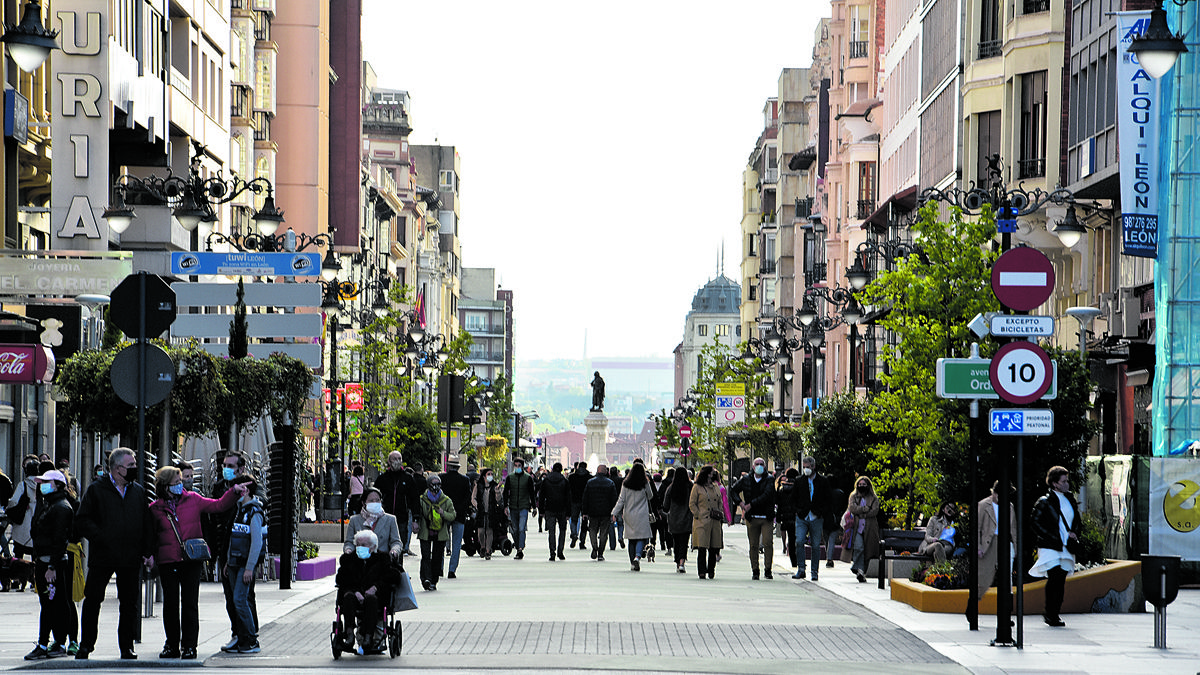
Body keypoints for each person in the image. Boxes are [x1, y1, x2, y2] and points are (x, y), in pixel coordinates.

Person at [148, 466, 245, 660]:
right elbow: (150, 535)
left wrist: (233, 493)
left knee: (190, 604)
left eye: (180, 481)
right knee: (171, 605)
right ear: (165, 486)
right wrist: (149, 555)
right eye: (176, 482)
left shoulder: (193, 499)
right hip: (168, 560)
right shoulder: (155, 508)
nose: (180, 485)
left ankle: (190, 646)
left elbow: (217, 505)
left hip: (191, 559)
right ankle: (172, 645)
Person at [74, 448, 152, 660]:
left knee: (129, 603)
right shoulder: (97, 490)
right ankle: (86, 644)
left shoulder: (137, 491)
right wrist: (101, 537)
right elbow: (82, 520)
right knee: (93, 600)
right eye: (131, 466)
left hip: (130, 556)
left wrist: (147, 551)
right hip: (103, 556)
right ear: (118, 469)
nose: (135, 468)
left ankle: (126, 646)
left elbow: (146, 523)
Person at [207, 452, 256, 653]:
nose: (226, 468)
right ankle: (238, 633)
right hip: (224, 549)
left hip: (241, 552)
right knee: (230, 597)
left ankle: (249, 635)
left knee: (244, 597)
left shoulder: (249, 488)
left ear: (241, 468)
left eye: (231, 465)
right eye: (224, 465)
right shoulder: (219, 487)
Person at [24, 470, 76, 661]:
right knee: (49, 604)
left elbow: (59, 539)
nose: (43, 485)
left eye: (47, 482)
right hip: (45, 562)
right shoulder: (49, 505)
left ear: (59, 485)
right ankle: (51, 642)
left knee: (53, 605)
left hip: (51, 564)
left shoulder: (61, 508)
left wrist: (52, 567)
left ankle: (49, 643)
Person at [1030, 467, 1082, 627]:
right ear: (1054, 483)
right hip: (1050, 546)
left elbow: (1077, 521)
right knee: (1055, 577)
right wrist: (1051, 537)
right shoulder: (1044, 501)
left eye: (1067, 481)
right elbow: (1035, 522)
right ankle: (1050, 613)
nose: (1067, 484)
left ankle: (1054, 613)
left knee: (1060, 580)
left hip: (1066, 546)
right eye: (1064, 481)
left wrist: (1074, 533)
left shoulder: (1070, 500)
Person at [335, 530, 400, 652]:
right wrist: (356, 592)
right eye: (358, 544)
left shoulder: (383, 558)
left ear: (373, 547)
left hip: (375, 597)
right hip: (354, 595)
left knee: (371, 600)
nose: (360, 548)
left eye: (364, 545)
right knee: (348, 597)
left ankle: (368, 637)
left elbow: (394, 576)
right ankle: (349, 635)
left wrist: (375, 588)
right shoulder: (348, 559)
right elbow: (341, 579)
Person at [222, 476, 266, 654]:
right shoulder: (240, 510)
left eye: (238, 488)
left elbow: (256, 543)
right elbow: (232, 539)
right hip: (233, 563)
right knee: (235, 601)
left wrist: (250, 567)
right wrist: (227, 561)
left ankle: (250, 639)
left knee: (240, 600)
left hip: (243, 565)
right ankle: (241, 637)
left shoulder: (254, 512)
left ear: (246, 489)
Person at [730, 457, 776, 580]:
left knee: (767, 542)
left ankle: (768, 569)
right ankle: (755, 570)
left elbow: (767, 495)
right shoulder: (746, 479)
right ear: (753, 466)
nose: (759, 466)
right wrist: (740, 503)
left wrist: (751, 504)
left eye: (762, 464)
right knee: (753, 545)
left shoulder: (770, 479)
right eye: (757, 464)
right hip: (752, 517)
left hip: (766, 516)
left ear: (765, 467)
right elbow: (733, 490)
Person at [976, 481, 1016, 606]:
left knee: (1007, 576)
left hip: (1005, 542)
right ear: (994, 492)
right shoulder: (983, 505)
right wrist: (979, 547)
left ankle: (1006, 610)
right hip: (990, 542)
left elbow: (1013, 529)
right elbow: (977, 528)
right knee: (985, 577)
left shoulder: (1010, 506)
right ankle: (973, 605)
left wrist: (1016, 547)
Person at [792, 456, 831, 581]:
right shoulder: (799, 481)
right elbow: (793, 498)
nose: (806, 469)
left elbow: (827, 499)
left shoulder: (823, 481)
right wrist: (797, 511)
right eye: (804, 467)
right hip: (802, 516)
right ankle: (801, 569)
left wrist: (821, 512)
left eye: (808, 467)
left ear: (813, 467)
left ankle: (814, 571)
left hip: (816, 517)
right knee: (799, 541)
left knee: (815, 545)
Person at [611, 463, 654, 571]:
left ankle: (632, 562)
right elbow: (650, 496)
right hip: (642, 514)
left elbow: (621, 500)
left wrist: (614, 513)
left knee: (631, 539)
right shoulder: (645, 483)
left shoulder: (626, 484)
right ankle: (637, 557)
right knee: (641, 537)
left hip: (629, 514)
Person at [372, 452, 416, 556]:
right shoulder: (382, 478)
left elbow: (414, 499)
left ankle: (397, 569)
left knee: (399, 546)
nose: (397, 461)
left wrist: (415, 519)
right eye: (394, 458)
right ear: (389, 461)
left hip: (401, 518)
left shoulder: (408, 478)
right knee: (383, 547)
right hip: (384, 518)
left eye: (399, 458)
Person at [417, 475, 455, 590]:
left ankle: (434, 580)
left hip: (440, 533)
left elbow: (453, 515)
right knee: (426, 556)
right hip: (426, 532)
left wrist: (443, 513)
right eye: (433, 483)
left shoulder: (446, 500)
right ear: (428, 485)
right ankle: (425, 579)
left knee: (437, 557)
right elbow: (417, 513)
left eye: (438, 484)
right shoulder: (422, 500)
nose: (436, 486)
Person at [840, 475, 880, 583]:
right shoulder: (853, 496)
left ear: (868, 485)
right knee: (859, 547)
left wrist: (862, 513)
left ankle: (861, 572)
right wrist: (864, 509)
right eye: (860, 484)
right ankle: (857, 567)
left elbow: (874, 511)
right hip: (856, 527)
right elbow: (852, 508)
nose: (862, 486)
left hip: (870, 528)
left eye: (864, 484)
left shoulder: (874, 498)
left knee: (868, 551)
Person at [343, 488, 403, 560]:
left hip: (382, 561)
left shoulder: (390, 519)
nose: (375, 503)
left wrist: (394, 551)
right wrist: (348, 551)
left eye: (377, 500)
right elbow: (349, 542)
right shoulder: (354, 520)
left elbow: (396, 542)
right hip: (360, 562)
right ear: (364, 503)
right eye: (371, 501)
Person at [689, 465, 724, 580]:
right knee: (702, 547)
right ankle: (702, 571)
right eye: (711, 472)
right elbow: (692, 503)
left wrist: (720, 512)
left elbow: (720, 501)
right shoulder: (697, 487)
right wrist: (698, 514)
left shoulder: (715, 486)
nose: (713, 473)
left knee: (714, 547)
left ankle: (711, 570)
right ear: (707, 473)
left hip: (715, 520)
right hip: (702, 521)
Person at [439, 460, 471, 578]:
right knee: (456, 543)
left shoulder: (442, 478)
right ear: (458, 468)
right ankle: (452, 570)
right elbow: (467, 497)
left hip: (444, 514)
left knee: (441, 542)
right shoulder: (465, 480)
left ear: (448, 467)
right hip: (459, 514)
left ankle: (440, 568)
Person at [7, 456, 41, 560]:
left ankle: (18, 575)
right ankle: (34, 575)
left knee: (18, 555)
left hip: (22, 525)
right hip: (36, 525)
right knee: (35, 556)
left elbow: (13, 501)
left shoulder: (23, 485)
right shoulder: (42, 486)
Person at [502, 457, 535, 560]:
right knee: (514, 529)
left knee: (521, 528)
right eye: (515, 466)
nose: (517, 468)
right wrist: (505, 506)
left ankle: (520, 549)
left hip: (524, 506)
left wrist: (534, 507)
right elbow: (505, 493)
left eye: (519, 466)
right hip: (512, 506)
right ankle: (518, 546)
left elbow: (532, 493)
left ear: (522, 466)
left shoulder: (528, 478)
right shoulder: (510, 478)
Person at [582, 465, 617, 559]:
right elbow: (614, 499)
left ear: (597, 471)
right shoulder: (610, 483)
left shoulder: (590, 482)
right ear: (606, 472)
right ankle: (600, 553)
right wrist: (614, 512)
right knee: (604, 533)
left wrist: (584, 512)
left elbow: (585, 498)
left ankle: (594, 546)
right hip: (606, 512)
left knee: (592, 530)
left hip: (593, 511)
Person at [539, 462, 570, 561]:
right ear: (561, 470)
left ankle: (552, 552)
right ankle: (560, 551)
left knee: (551, 532)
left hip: (549, 508)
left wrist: (541, 510)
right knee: (562, 530)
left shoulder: (546, 480)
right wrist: (569, 512)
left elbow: (541, 496)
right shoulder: (565, 481)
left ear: (552, 470)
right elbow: (568, 498)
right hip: (562, 509)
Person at [664, 467, 693, 573]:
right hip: (686, 518)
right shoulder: (690, 487)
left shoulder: (671, 488)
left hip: (674, 519)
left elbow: (665, 505)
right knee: (684, 542)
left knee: (676, 542)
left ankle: (677, 561)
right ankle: (682, 562)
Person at [471, 467, 502, 559]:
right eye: (488, 474)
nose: (490, 476)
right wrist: (476, 505)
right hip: (481, 512)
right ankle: (482, 547)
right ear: (484, 476)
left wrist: (497, 491)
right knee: (480, 531)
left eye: (491, 474)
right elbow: (473, 497)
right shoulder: (479, 485)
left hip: (491, 512)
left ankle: (488, 551)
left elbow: (498, 500)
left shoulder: (494, 486)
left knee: (489, 531)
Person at [775, 468, 797, 568]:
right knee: (797, 539)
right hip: (796, 517)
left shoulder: (782, 489)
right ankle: (798, 560)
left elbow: (779, 504)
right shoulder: (798, 488)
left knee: (791, 539)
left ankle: (793, 559)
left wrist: (779, 518)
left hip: (785, 517)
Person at [568, 462, 591, 550]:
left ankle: (574, 533)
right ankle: (582, 542)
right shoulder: (589, 478)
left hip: (574, 500)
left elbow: (568, 490)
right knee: (584, 521)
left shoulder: (572, 477)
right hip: (585, 502)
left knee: (574, 519)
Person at [823, 478, 846, 569]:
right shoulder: (840, 493)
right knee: (832, 539)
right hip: (836, 519)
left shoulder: (824, 493)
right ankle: (829, 559)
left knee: (826, 539)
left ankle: (828, 556)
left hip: (825, 519)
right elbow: (844, 506)